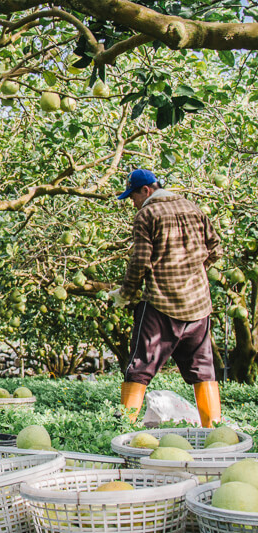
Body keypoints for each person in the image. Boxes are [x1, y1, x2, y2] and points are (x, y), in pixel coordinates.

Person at [109, 169, 223, 427]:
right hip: (198, 304)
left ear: (145, 190)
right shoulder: (194, 208)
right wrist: (193, 270)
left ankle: (124, 426)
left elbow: (139, 261)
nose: (133, 203)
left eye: (133, 197)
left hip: (161, 303)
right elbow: (215, 248)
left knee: (140, 367)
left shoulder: (146, 214)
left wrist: (125, 293)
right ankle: (214, 430)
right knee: (203, 369)